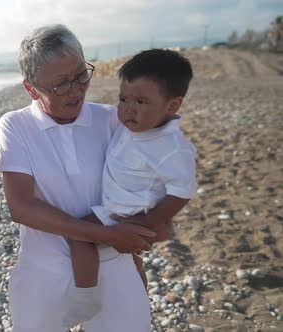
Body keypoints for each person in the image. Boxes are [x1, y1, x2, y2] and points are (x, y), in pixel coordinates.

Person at [0, 25, 167, 332]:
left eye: (80, 75)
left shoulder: (112, 120)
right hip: (42, 270)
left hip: (114, 264)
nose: (76, 89)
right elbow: (21, 207)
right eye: (61, 84)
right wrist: (104, 234)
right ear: (31, 88)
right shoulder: (16, 126)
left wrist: (127, 257)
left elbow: (137, 191)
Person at [67, 48, 197, 327]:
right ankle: (138, 290)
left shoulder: (171, 147)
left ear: (172, 106)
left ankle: (85, 297)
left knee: (79, 236)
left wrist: (150, 222)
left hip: (126, 211)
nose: (128, 109)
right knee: (130, 259)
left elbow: (183, 190)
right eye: (123, 99)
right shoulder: (133, 126)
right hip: (118, 205)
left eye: (141, 101)